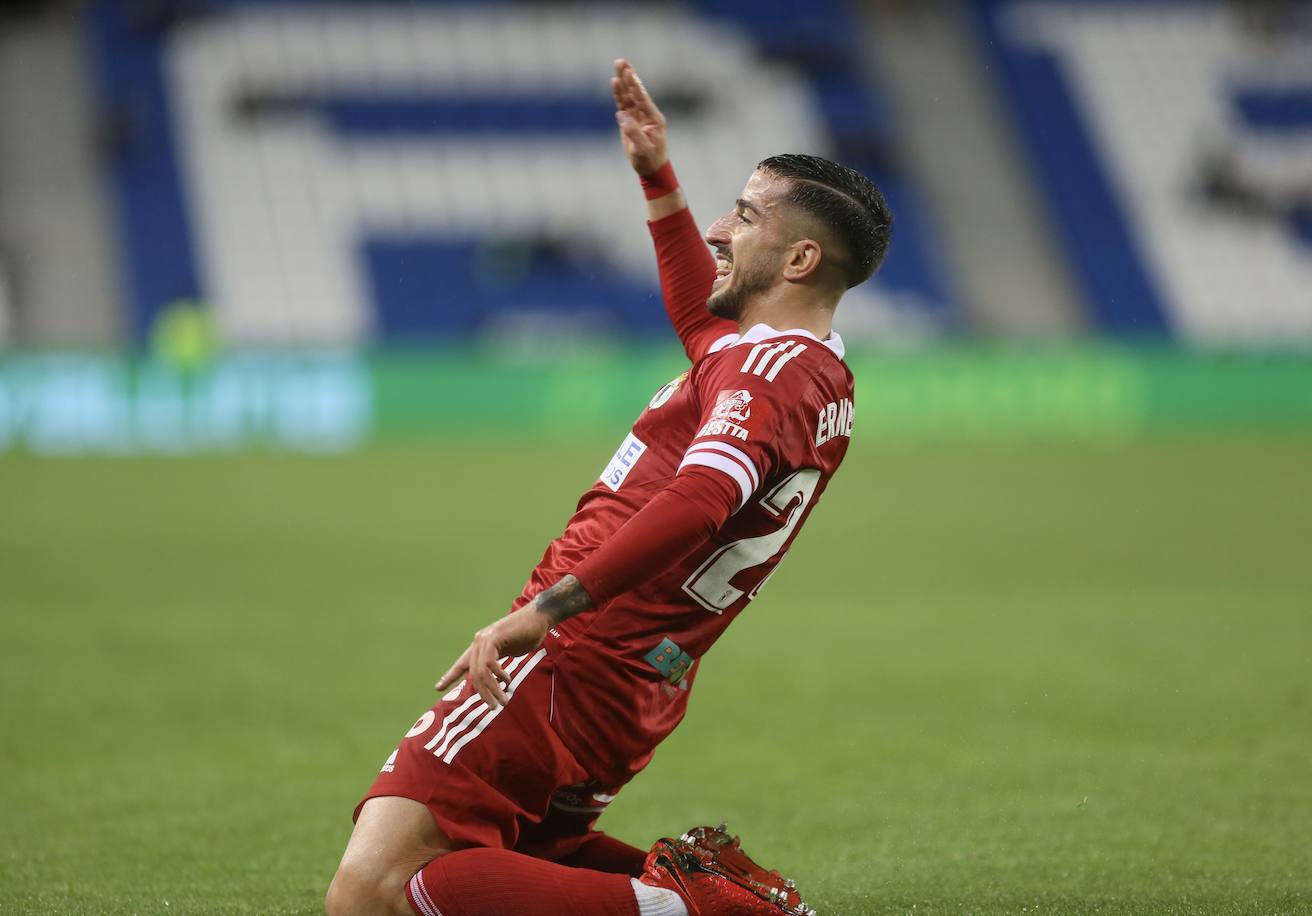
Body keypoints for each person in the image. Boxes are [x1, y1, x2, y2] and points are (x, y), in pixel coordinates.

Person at [326, 58, 892, 916]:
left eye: (743, 215)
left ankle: (700, 908)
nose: (716, 228)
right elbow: (700, 319)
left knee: (373, 893)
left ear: (802, 256)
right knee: (506, 859)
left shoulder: (769, 372)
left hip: (577, 654)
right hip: (628, 678)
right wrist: (653, 173)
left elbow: (701, 498)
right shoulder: (797, 370)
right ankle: (705, 897)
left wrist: (543, 612)